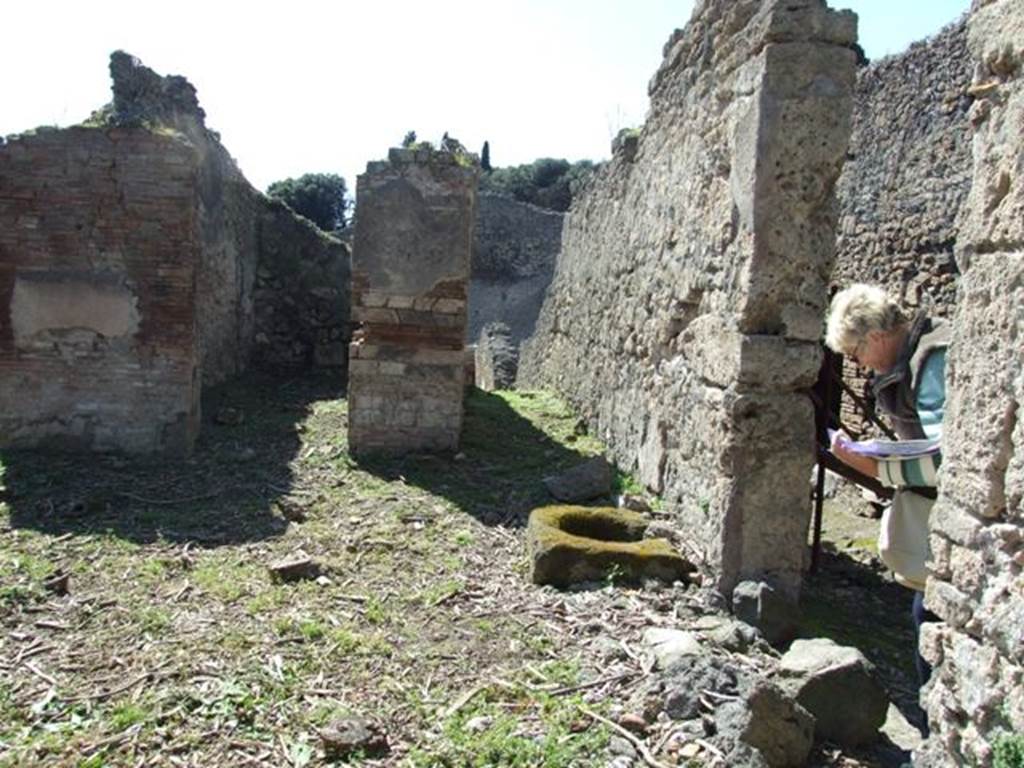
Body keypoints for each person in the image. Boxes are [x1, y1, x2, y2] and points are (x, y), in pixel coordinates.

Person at [824, 284, 949, 700]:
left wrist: (873, 465)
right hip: (934, 533)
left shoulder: (931, 363)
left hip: (950, 535)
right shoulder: (910, 362)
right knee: (924, 618)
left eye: (856, 354)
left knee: (933, 624)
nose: (858, 367)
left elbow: (943, 460)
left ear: (875, 336)